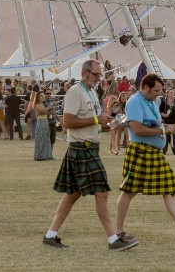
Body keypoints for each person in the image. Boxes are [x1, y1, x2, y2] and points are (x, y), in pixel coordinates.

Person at [43, 59, 134, 251]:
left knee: (72, 194)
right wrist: (95, 119)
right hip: (80, 148)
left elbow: (92, 121)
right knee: (102, 192)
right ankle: (112, 239)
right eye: (96, 74)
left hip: (90, 148)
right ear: (85, 73)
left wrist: (109, 122)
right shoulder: (75, 92)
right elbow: (68, 122)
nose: (99, 78)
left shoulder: (92, 93)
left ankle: (51, 235)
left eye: (100, 75)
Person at [113, 73, 175, 244]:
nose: (158, 94)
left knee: (169, 189)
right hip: (140, 151)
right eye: (156, 90)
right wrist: (163, 131)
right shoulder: (134, 102)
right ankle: (118, 232)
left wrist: (169, 126)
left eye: (160, 91)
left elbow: (154, 123)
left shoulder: (152, 102)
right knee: (129, 191)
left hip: (154, 153)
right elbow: (136, 128)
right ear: (145, 87)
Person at [32, 88, 55, 162]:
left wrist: (52, 111)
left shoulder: (43, 104)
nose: (43, 97)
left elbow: (46, 114)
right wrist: (51, 105)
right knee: (41, 139)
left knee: (46, 139)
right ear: (38, 97)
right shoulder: (37, 105)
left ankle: (47, 155)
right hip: (41, 122)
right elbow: (43, 111)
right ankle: (40, 156)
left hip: (45, 121)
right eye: (42, 96)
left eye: (43, 96)